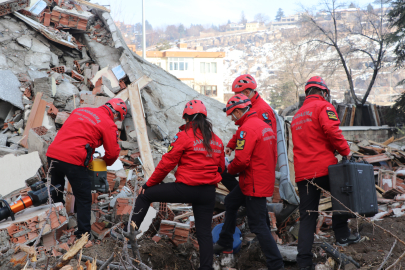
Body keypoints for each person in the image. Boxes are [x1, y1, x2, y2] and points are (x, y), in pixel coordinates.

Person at [131, 100, 224, 270]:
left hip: (186, 189)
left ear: (188, 119)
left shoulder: (184, 136)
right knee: (204, 233)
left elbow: (167, 163)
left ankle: (128, 236)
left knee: (145, 195)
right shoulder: (217, 141)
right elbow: (221, 167)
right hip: (208, 192)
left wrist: (149, 183)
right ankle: (206, 268)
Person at [291, 76, 360, 270]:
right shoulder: (323, 107)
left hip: (304, 173)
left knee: (307, 216)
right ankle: (343, 235)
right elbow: (332, 131)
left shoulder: (297, 116)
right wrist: (346, 151)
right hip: (324, 168)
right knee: (343, 198)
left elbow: (312, 139)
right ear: (323, 92)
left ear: (307, 93)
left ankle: (303, 263)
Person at [213, 94, 284, 270]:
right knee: (231, 201)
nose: (232, 118)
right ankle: (225, 240)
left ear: (238, 111)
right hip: (257, 179)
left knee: (258, 225)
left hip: (254, 183)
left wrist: (229, 170)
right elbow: (241, 139)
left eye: (232, 114)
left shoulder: (248, 129)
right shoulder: (261, 125)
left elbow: (242, 160)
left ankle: (276, 264)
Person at [46, 98, 126, 238]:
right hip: (73, 160)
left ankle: (55, 224)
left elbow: (74, 133)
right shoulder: (108, 124)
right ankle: (83, 234)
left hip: (53, 154)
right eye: (118, 118)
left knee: (56, 189)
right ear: (116, 114)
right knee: (83, 196)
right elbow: (113, 153)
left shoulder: (79, 110)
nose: (116, 121)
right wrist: (103, 162)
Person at [225, 74, 277, 157]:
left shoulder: (262, 110)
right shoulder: (247, 107)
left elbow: (267, 139)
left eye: (237, 95)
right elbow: (243, 130)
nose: (236, 98)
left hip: (260, 158)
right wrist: (232, 145)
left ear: (247, 92)